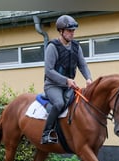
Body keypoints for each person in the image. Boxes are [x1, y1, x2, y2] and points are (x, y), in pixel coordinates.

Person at [41, 15, 92, 144]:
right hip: (52, 85)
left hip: (68, 86)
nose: (72, 33)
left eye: (73, 31)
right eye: (69, 31)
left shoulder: (76, 46)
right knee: (59, 103)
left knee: (79, 104)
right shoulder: (52, 47)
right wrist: (66, 80)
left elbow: (82, 65)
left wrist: (89, 78)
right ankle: (46, 134)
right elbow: (49, 71)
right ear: (61, 31)